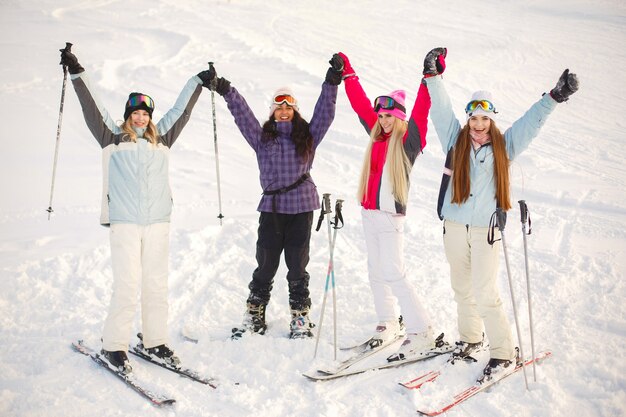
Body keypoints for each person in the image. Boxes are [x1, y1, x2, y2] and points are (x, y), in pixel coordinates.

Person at [422, 47, 579, 381]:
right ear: (468, 120)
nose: (478, 125)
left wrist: (554, 97)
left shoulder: (504, 147)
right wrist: (432, 76)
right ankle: (470, 339)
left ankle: (504, 353)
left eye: (484, 119)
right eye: (474, 119)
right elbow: (440, 110)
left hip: (485, 230)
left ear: (492, 120)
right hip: (453, 225)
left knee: (485, 292)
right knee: (461, 287)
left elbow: (530, 123)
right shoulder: (455, 140)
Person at [59, 45, 213, 373]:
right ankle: (113, 345)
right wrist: (76, 70)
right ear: (128, 115)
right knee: (127, 284)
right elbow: (92, 105)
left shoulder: (162, 140)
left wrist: (198, 81)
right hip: (125, 222)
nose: (140, 117)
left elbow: (181, 110)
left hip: (158, 222)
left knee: (156, 283)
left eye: (145, 113)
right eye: (135, 113)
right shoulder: (112, 137)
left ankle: (154, 340)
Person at [207, 55, 343, 339]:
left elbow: (324, 114)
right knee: (266, 261)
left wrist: (332, 83)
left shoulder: (308, 136)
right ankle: (255, 313)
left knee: (297, 261)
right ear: (272, 112)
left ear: (294, 111)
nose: (283, 111)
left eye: (288, 107)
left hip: (302, 206)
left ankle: (300, 316)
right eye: (278, 107)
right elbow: (242, 115)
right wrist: (225, 89)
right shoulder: (262, 139)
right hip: (271, 207)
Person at [336, 52, 440, 361]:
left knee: (394, 272)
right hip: (369, 214)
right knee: (375, 271)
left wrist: (428, 78)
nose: (382, 121)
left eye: (389, 116)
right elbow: (359, 104)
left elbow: (422, 110)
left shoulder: (409, 141)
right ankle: (388, 323)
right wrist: (348, 73)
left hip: (390, 217)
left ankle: (422, 331)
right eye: (380, 116)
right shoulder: (375, 135)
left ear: (399, 117)